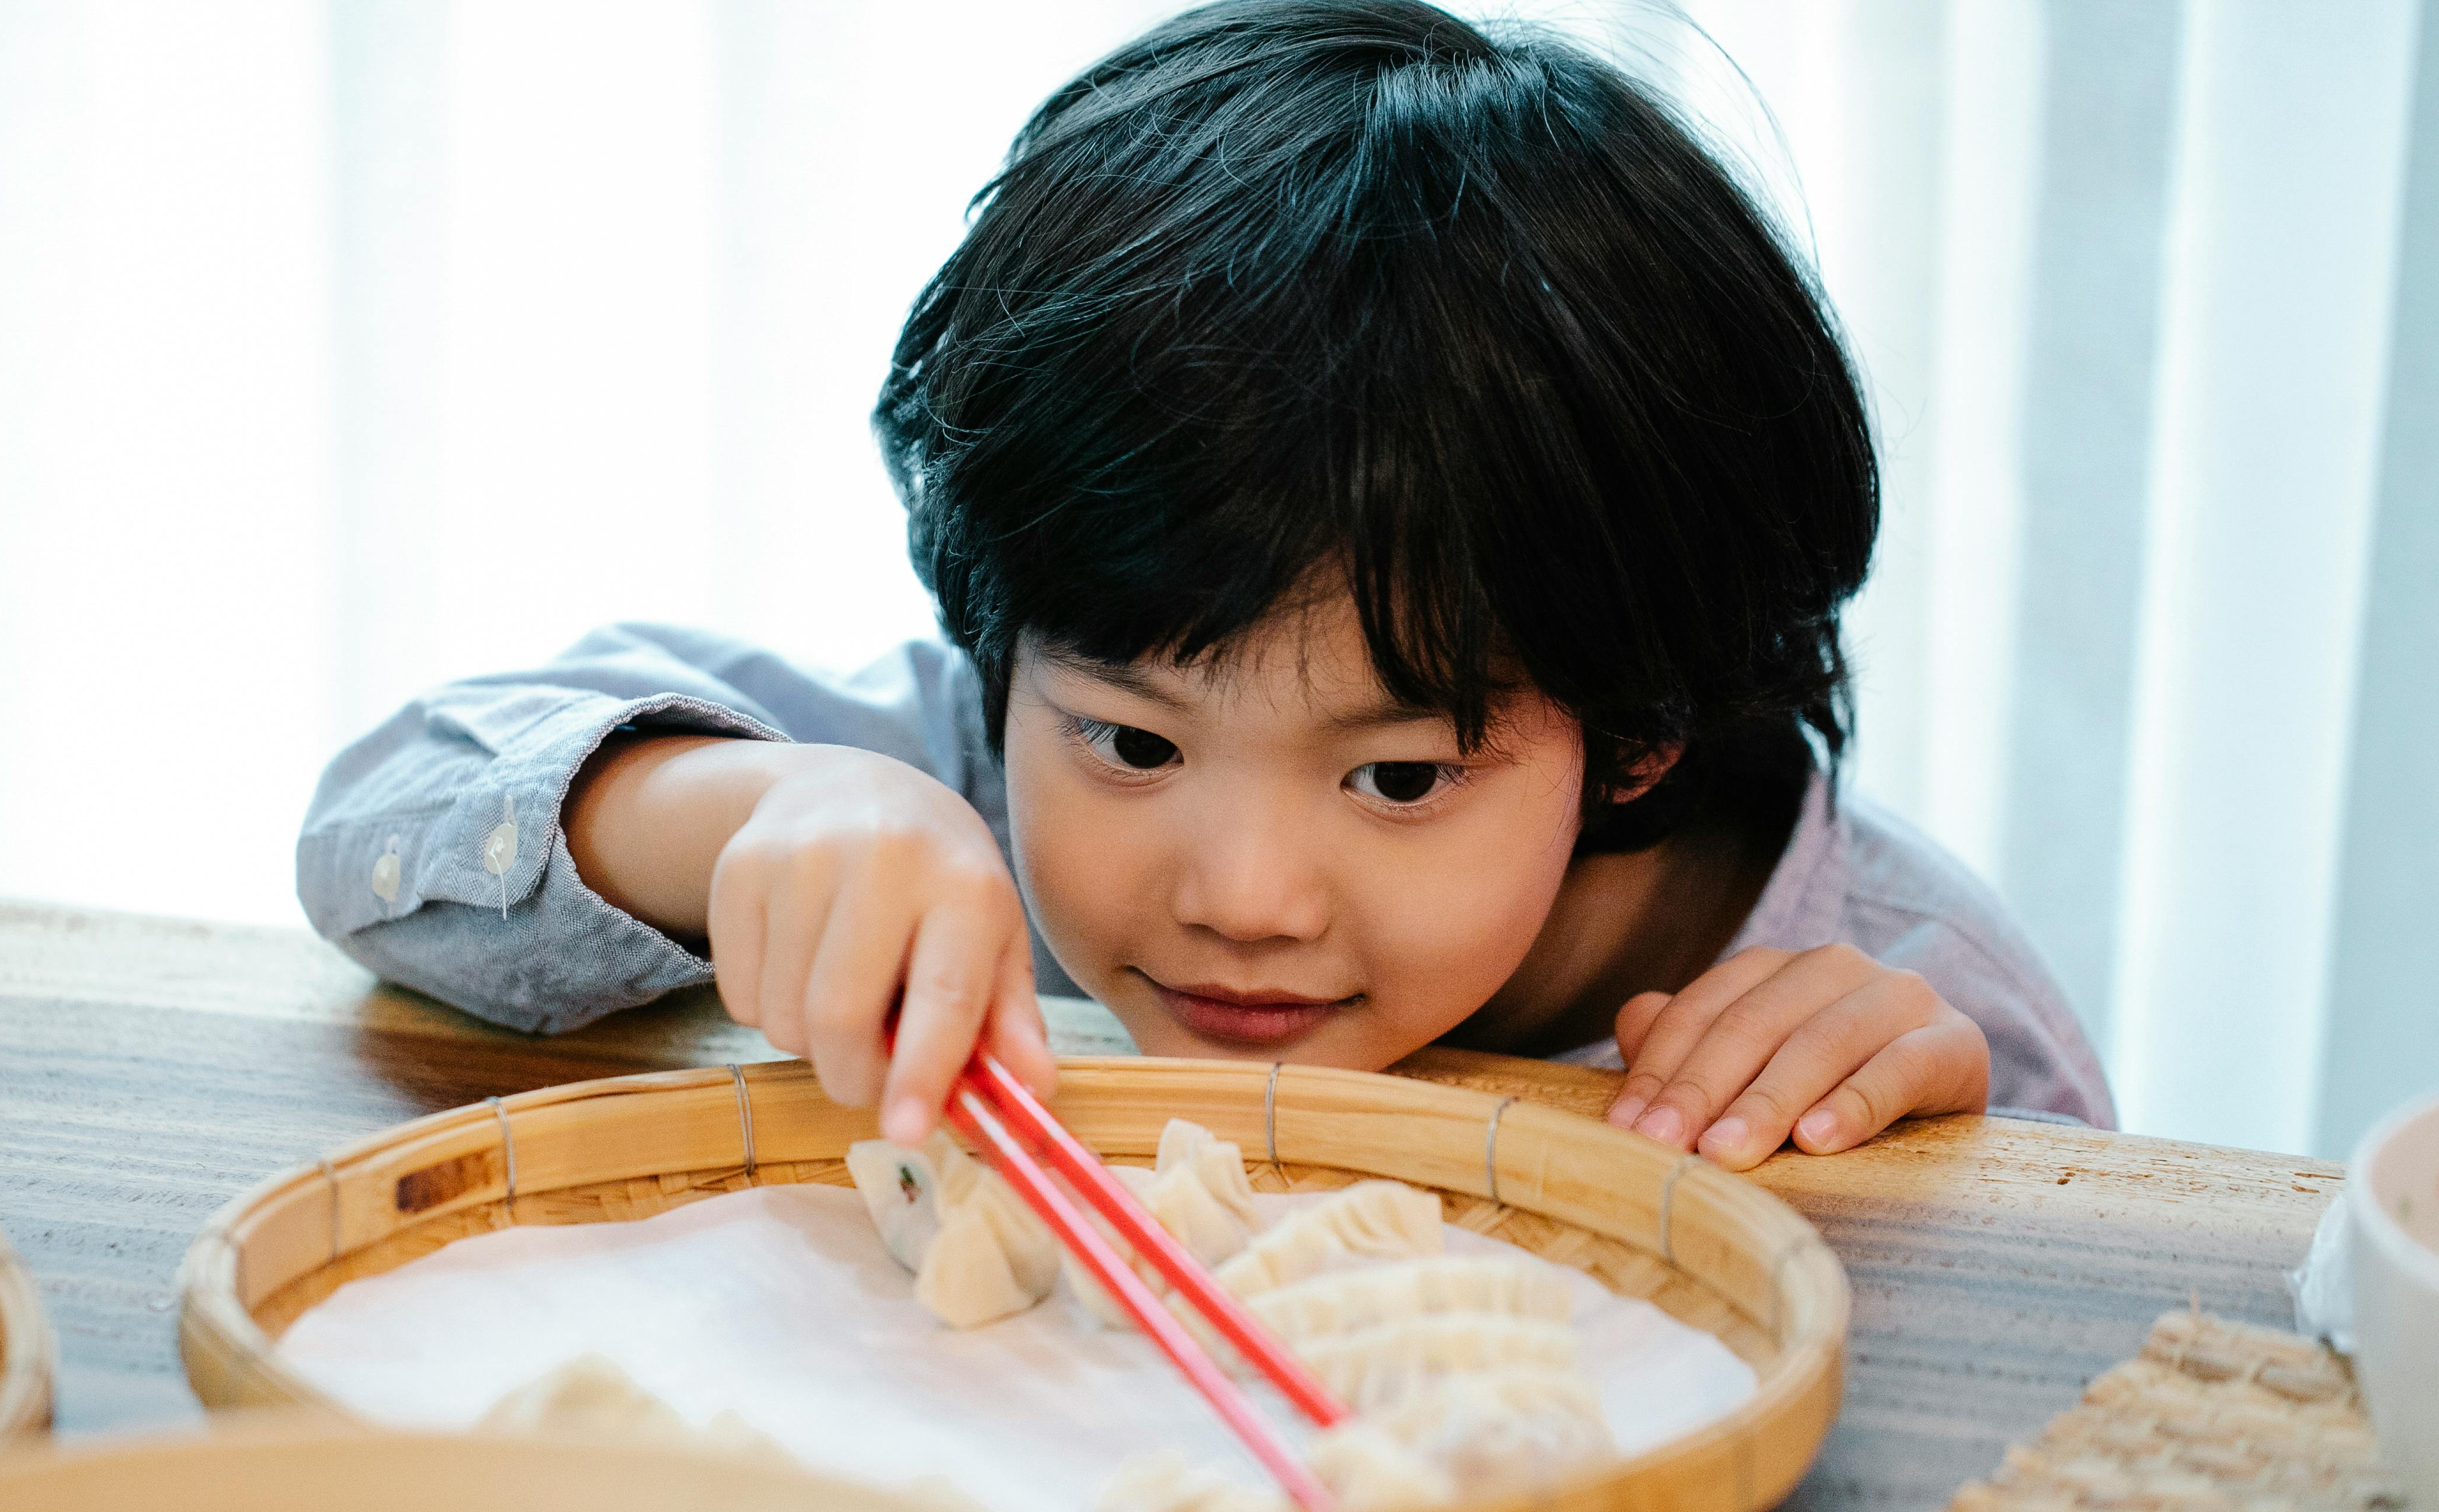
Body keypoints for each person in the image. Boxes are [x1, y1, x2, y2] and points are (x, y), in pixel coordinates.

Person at [296, 0, 2113, 1171]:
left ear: (1637, 725)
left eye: (1400, 778)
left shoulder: (1887, 980)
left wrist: (1941, 1162)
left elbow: (2105, 1410)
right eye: (1135, 747)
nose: (1240, 898)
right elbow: (378, 823)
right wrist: (744, 811)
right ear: (1007, 648)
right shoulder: (958, 784)